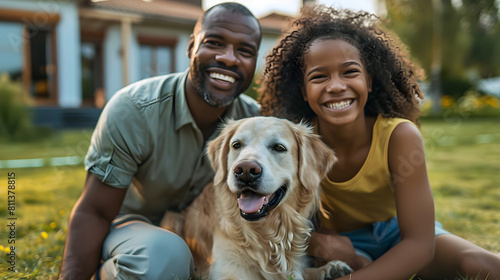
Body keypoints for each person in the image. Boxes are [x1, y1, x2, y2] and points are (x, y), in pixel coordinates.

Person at [259, 5, 500, 280]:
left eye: (350, 72)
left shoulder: (399, 137)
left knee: (481, 265)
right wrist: (318, 244)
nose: (336, 86)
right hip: (334, 243)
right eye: (319, 76)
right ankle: (361, 261)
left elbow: (420, 245)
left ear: (369, 81)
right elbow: (272, 219)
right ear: (303, 91)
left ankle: (365, 264)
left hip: (397, 234)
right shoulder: (294, 143)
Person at [59, 3, 262, 279]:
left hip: (198, 236)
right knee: (165, 255)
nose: (228, 58)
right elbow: (94, 212)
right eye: (214, 43)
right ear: (191, 47)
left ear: (254, 62)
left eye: (245, 51)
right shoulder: (134, 110)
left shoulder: (254, 124)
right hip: (126, 229)